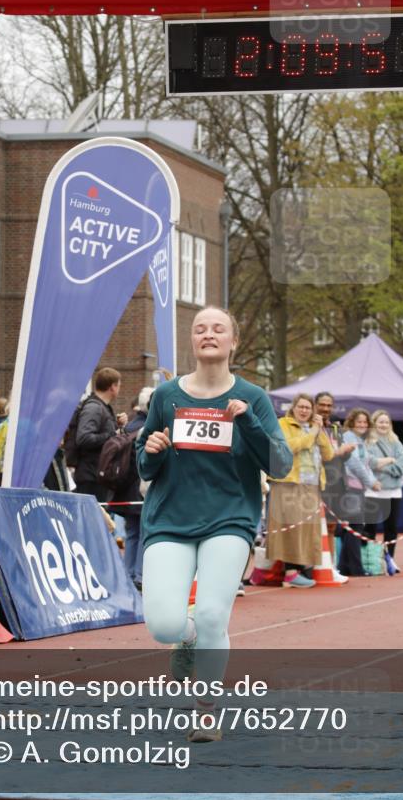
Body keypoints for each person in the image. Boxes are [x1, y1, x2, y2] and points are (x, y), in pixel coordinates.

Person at [136, 306, 292, 742]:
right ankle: (184, 640)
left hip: (230, 518)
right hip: (170, 518)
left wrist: (249, 420)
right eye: (200, 328)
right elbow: (145, 467)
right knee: (164, 624)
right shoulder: (166, 396)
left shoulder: (252, 396)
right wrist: (151, 449)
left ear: (232, 341)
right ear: (192, 340)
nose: (208, 334)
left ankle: (206, 710)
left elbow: (280, 463)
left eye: (218, 328)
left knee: (210, 614)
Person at [267, 393, 334, 588]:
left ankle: (302, 569)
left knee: (307, 530)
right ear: (293, 408)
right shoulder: (283, 424)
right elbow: (289, 447)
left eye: (308, 407)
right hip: (289, 482)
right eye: (301, 407)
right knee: (291, 528)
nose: (304, 411)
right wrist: (312, 432)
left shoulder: (314, 428)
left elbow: (328, 454)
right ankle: (290, 572)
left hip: (311, 484)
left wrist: (319, 431)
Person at [113, 386, 154, 591]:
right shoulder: (149, 428)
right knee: (144, 533)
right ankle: (139, 574)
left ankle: (126, 573)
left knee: (132, 533)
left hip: (124, 489)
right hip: (141, 488)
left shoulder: (128, 426)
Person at [314, 391, 356, 581]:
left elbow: (341, 457)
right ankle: (313, 566)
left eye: (329, 405)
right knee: (313, 527)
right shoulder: (311, 427)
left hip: (336, 483)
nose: (325, 409)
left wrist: (347, 452)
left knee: (331, 528)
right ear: (315, 405)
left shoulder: (336, 429)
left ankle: (330, 566)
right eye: (322, 404)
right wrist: (338, 451)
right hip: (317, 482)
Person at [74, 368, 128, 501]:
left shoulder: (101, 407)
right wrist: (111, 434)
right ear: (112, 387)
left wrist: (116, 425)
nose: (119, 389)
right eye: (119, 385)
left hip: (97, 475)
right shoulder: (94, 408)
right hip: (91, 477)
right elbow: (84, 438)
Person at [338, 408, 378, 577]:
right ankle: (355, 567)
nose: (362, 425)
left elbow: (367, 464)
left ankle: (345, 566)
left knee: (352, 528)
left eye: (365, 422)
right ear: (352, 423)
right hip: (350, 486)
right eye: (359, 422)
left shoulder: (361, 441)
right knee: (355, 526)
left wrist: (372, 479)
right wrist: (371, 482)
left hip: (358, 487)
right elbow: (354, 464)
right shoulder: (348, 438)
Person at [364, 410, 403, 565]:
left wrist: (385, 465)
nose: (384, 425)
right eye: (380, 421)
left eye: (386, 422)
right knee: (371, 527)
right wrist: (390, 461)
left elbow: (402, 464)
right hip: (374, 490)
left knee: (391, 528)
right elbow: (370, 462)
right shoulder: (368, 442)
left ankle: (390, 558)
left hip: (393, 490)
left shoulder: (396, 442)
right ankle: (369, 558)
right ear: (374, 423)